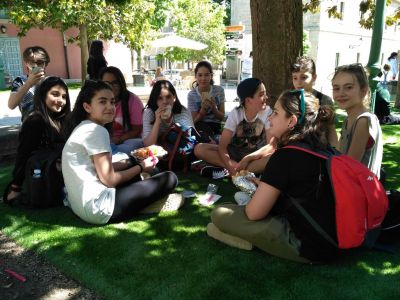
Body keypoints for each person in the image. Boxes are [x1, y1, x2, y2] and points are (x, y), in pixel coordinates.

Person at [207, 90, 339, 263]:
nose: (270, 118)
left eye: (276, 113)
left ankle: (246, 239)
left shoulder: (285, 156)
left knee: (219, 213)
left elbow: (254, 214)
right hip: (339, 236)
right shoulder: (327, 149)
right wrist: (263, 185)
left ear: (291, 121)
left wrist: (258, 192)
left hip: (311, 246)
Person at [61, 80, 180, 225]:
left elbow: (99, 169)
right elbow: (109, 180)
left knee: (139, 172)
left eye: (112, 102)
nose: (110, 107)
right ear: (87, 106)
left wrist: (134, 161)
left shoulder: (84, 127)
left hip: (82, 206)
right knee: (170, 177)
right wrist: (141, 167)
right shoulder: (96, 131)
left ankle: (140, 200)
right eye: (102, 102)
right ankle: (145, 206)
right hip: (100, 208)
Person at [4, 76, 71, 203]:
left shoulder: (62, 119)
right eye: (55, 94)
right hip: (45, 178)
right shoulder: (35, 121)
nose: (61, 101)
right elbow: (23, 155)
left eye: (64, 97)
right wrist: (15, 188)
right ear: (42, 95)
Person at [194, 78, 273, 176]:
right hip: (233, 155)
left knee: (274, 157)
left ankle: (229, 171)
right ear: (248, 100)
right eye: (261, 95)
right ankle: (239, 172)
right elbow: (222, 146)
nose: (266, 97)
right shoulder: (236, 113)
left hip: (255, 157)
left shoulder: (268, 112)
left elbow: (271, 145)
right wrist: (230, 165)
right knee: (199, 149)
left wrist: (247, 158)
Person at [332, 63, 383, 178]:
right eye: (336, 88)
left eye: (348, 87)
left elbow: (349, 166)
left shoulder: (363, 121)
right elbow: (338, 154)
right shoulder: (349, 119)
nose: (341, 93)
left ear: (363, 91)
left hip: (360, 191)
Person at [291, 56, 338, 147]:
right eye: (295, 78)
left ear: (314, 77)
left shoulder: (324, 100)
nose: (298, 82)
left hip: (319, 150)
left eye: (303, 77)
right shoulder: (288, 100)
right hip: (294, 148)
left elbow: (331, 131)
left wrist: (335, 152)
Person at [99, 66, 144, 155]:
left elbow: (137, 129)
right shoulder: (96, 100)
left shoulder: (133, 101)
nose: (111, 87)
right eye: (107, 83)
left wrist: (119, 139)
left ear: (121, 84)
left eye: (115, 83)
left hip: (127, 142)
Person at [142, 80, 194, 147]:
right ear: (155, 100)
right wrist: (157, 122)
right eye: (160, 98)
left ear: (174, 97)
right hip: (157, 151)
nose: (165, 102)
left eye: (168, 97)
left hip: (179, 150)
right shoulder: (149, 113)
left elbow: (189, 138)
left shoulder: (182, 111)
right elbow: (148, 144)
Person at [8, 46, 50, 121]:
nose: (35, 65)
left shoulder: (51, 81)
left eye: (40, 62)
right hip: (30, 123)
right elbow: (11, 105)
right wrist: (28, 83)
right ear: (26, 63)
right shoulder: (20, 81)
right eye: (32, 62)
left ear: (45, 64)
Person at [187, 61, 226, 142]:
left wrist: (214, 109)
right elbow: (193, 121)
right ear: (196, 76)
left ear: (211, 76)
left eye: (206, 75)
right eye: (200, 75)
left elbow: (222, 117)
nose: (203, 78)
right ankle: (211, 142)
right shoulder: (192, 95)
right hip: (200, 126)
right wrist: (202, 111)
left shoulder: (219, 90)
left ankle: (211, 142)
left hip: (216, 126)